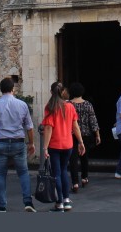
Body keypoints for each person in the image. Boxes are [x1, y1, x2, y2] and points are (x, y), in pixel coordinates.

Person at [0, 77, 37, 213]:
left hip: (1, 142)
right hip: (18, 142)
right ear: (13, 89)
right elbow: (29, 127)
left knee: (1, 174)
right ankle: (28, 202)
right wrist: (31, 143)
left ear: (1, 90)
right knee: (24, 173)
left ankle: (1, 205)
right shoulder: (22, 105)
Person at [42, 82, 85, 212]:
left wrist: (45, 147)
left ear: (51, 92)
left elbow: (48, 128)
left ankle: (59, 202)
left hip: (55, 145)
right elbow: (75, 126)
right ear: (63, 92)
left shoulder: (50, 107)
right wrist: (81, 142)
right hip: (68, 145)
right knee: (63, 172)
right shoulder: (70, 107)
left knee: (57, 174)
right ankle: (66, 200)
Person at [68, 82, 100, 192]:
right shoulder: (88, 104)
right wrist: (97, 134)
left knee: (73, 159)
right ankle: (84, 177)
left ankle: (75, 182)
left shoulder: (68, 104)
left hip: (71, 134)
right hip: (86, 134)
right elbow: (93, 120)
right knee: (84, 157)